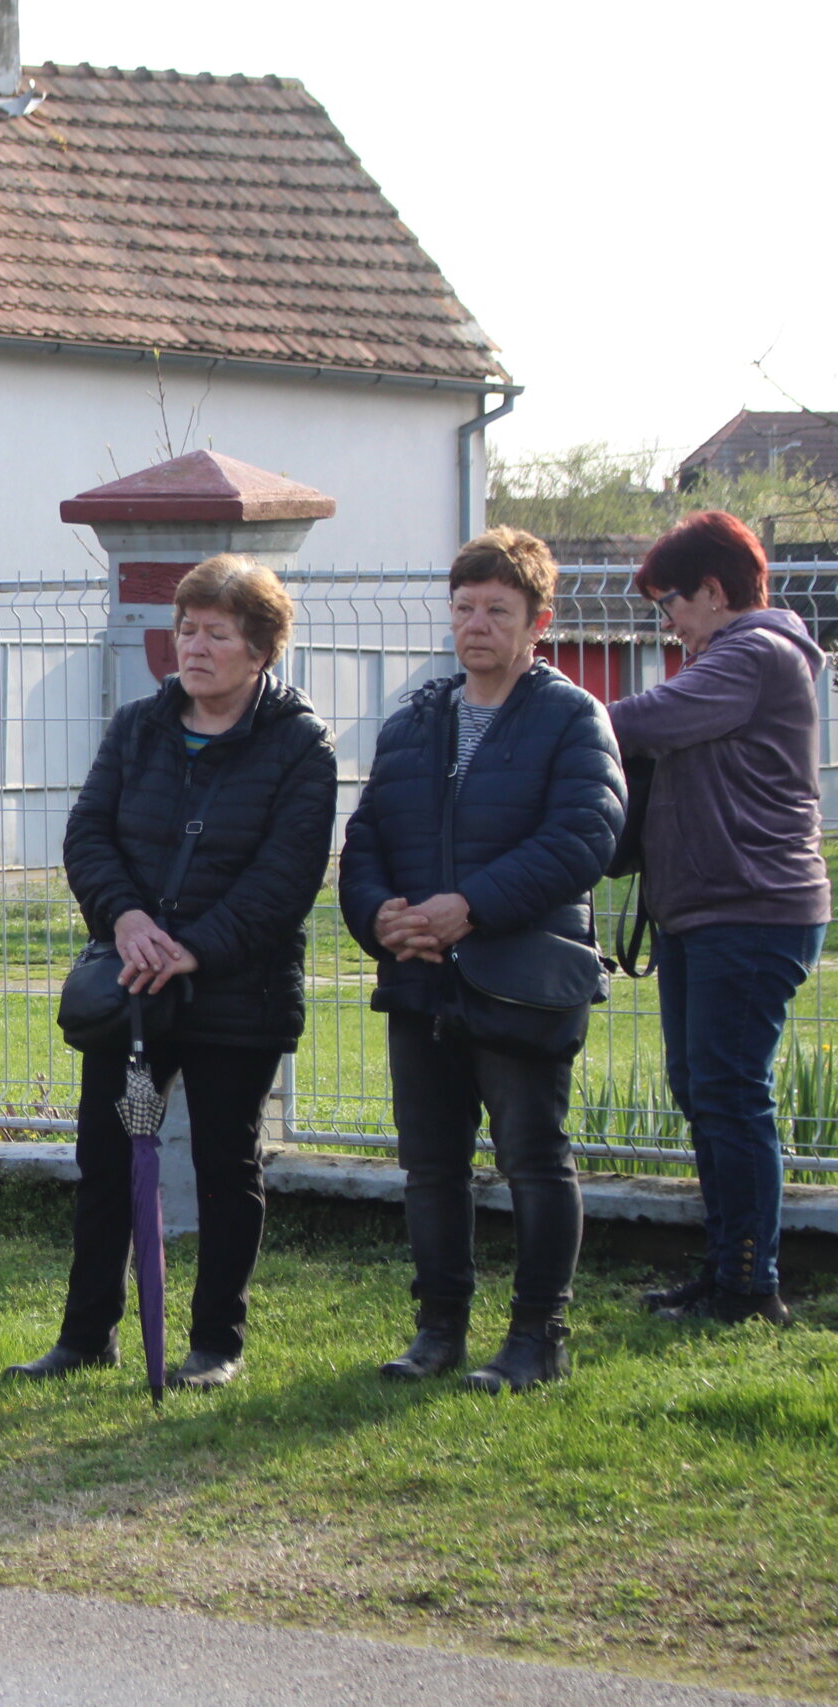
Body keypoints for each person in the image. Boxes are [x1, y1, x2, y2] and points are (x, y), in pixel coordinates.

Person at [9, 554, 337, 1390]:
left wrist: (198, 945)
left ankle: (215, 1342)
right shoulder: (137, 726)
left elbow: (287, 874)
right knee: (108, 1159)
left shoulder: (301, 746)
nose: (193, 646)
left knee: (228, 1166)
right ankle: (87, 1334)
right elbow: (89, 835)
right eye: (185, 628)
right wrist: (127, 921)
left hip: (238, 991)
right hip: (133, 989)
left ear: (260, 649)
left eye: (216, 633)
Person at [339, 528, 623, 1391]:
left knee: (533, 1158)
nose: (477, 625)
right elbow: (365, 839)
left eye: (498, 610)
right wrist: (379, 915)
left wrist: (472, 907)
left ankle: (539, 1335)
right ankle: (439, 1331)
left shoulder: (573, 717)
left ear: (537, 621)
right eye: (464, 607)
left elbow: (585, 835)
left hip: (523, 976)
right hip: (420, 975)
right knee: (431, 1165)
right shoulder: (413, 721)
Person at [609, 511, 828, 1328]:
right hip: (708, 911)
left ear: (712, 589)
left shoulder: (753, 652)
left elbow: (639, 721)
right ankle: (725, 1270)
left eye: (669, 602)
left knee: (730, 1093)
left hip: (751, 910)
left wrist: (542, 712)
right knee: (706, 1089)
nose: (665, 622)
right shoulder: (733, 656)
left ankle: (748, 1284)